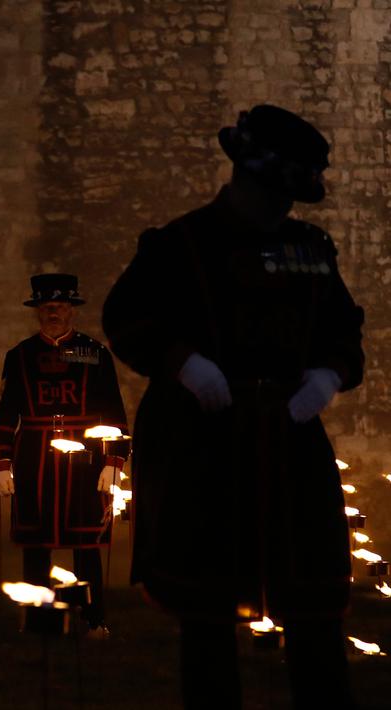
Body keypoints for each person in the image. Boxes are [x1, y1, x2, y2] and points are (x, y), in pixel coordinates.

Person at [102, 105, 364, 709]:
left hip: (289, 441)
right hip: (206, 445)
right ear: (243, 178)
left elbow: (342, 328)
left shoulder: (310, 250)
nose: (280, 209)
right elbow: (127, 317)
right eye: (271, 193)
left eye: (288, 198)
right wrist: (183, 363)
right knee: (208, 615)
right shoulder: (180, 245)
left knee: (314, 605)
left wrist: (329, 373)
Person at [0, 273, 128, 636]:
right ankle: (39, 620)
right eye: (47, 307)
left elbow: (115, 414)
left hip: (84, 458)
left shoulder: (96, 354)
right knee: (36, 544)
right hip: (34, 456)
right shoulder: (19, 357)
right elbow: (6, 413)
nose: (55, 313)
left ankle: (94, 618)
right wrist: (1, 464)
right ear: (37, 311)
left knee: (86, 542)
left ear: (72, 311)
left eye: (61, 307)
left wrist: (114, 463)